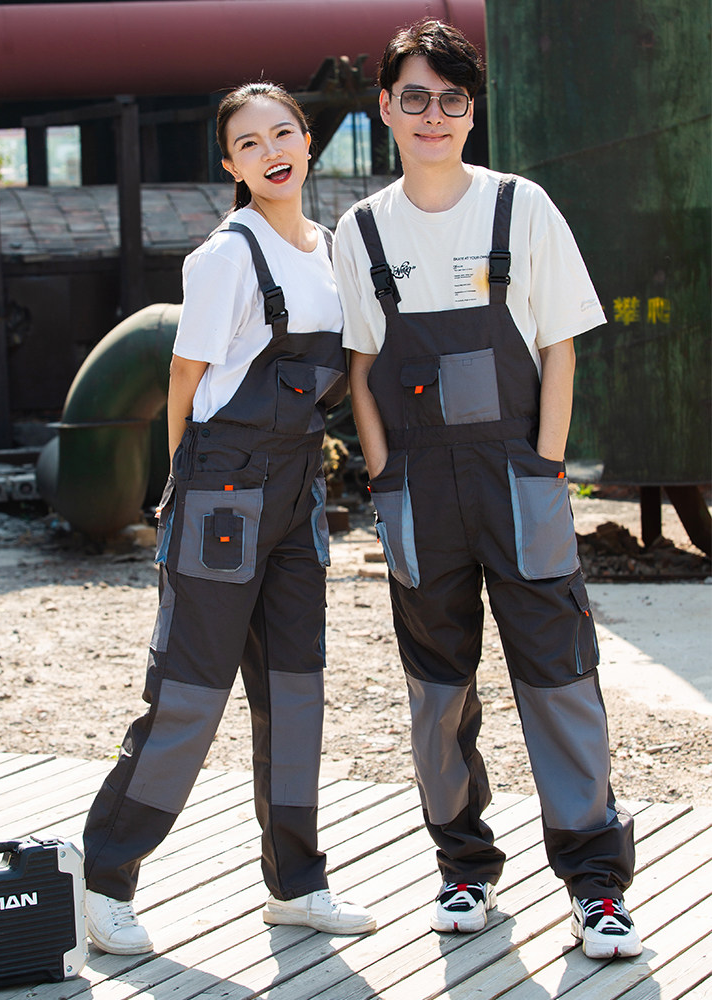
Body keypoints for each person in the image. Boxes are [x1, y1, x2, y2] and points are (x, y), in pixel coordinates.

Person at [333, 20, 642, 960]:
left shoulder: (522, 206)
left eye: (452, 99)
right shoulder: (362, 230)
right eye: (415, 97)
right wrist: (384, 477)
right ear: (385, 109)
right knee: (438, 687)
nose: (434, 115)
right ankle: (463, 865)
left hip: (519, 476)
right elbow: (361, 369)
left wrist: (545, 466)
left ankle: (596, 887)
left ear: (473, 112)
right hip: (417, 487)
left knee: (560, 675)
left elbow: (559, 347)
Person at [81, 82, 376, 955]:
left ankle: (298, 884)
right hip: (223, 491)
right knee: (190, 694)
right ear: (230, 165)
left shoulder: (332, 250)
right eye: (250, 144)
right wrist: (187, 485)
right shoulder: (225, 257)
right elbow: (185, 378)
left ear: (309, 141)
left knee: (295, 692)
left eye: (283, 133)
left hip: (299, 492)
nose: (271, 151)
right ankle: (103, 881)